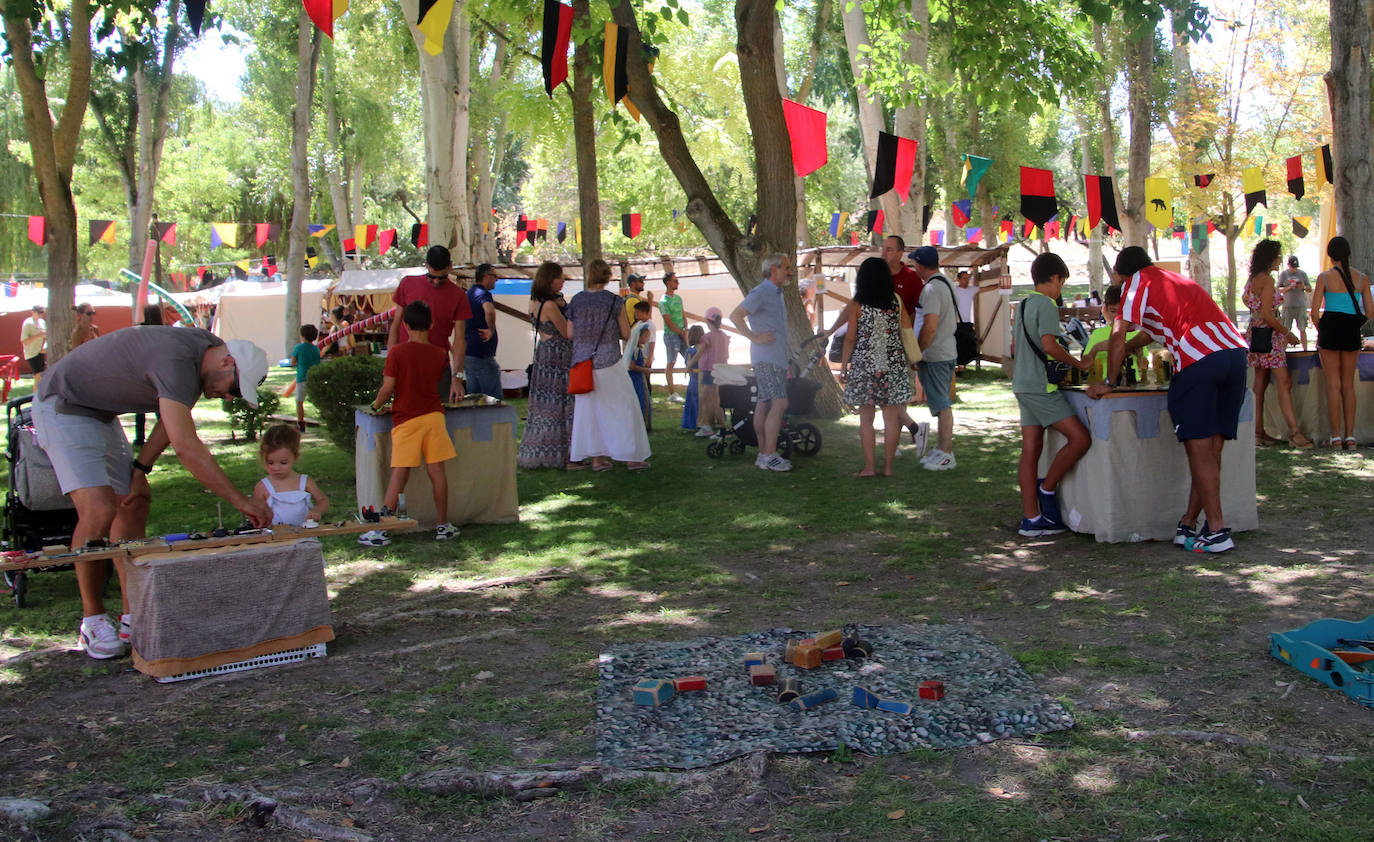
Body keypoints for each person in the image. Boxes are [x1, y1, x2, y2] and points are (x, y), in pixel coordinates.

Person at [31, 327, 272, 659]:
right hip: (62, 404)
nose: (229, 397)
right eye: (234, 388)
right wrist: (240, 500)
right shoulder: (177, 360)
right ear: (228, 361)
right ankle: (92, 621)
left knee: (133, 502)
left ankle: (134, 616)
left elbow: (174, 420)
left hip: (100, 414)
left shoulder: (202, 353)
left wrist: (140, 470)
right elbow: (188, 447)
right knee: (99, 509)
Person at [1088, 246, 1247, 553]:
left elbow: (1119, 332)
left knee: (1199, 451)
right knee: (1211, 451)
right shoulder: (1172, 280)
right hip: (1234, 353)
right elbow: (1147, 334)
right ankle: (1188, 524)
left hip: (1198, 360)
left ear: (1121, 275)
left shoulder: (1135, 285)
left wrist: (1110, 381)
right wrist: (1127, 349)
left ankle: (1217, 530)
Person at [1013, 253, 1093, 537]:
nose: (1061, 291)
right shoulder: (1046, 305)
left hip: (1022, 384)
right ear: (1056, 278)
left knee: (1030, 451)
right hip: (1040, 387)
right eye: (1062, 283)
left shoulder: (1022, 304)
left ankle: (1031, 519)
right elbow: (1049, 345)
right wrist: (1079, 363)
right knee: (1081, 438)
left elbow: (1017, 347)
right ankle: (1047, 489)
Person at [367, 300, 460, 543]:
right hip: (434, 416)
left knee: (399, 474)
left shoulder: (397, 352)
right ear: (431, 323)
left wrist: (375, 406)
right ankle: (443, 525)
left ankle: (382, 529)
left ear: (406, 325)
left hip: (406, 419)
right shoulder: (440, 354)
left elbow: (389, 387)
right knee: (437, 472)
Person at [568, 259, 650, 471]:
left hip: (583, 364)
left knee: (591, 413)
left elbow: (569, 333)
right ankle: (631, 456)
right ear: (606, 276)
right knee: (624, 408)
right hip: (609, 361)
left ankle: (598, 459)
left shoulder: (576, 300)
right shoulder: (613, 301)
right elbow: (625, 333)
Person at [840, 257, 915, 477]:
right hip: (893, 364)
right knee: (891, 419)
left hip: (866, 367)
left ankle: (869, 467)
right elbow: (906, 330)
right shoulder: (896, 300)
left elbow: (850, 339)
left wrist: (844, 366)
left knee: (866, 419)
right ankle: (888, 467)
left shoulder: (857, 304)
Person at [1243, 239, 1312, 449]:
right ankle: (1295, 432)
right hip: (1270, 335)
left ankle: (1257, 432)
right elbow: (1267, 313)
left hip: (1256, 334)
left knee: (1260, 383)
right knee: (1283, 382)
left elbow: (1256, 309)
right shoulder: (1268, 280)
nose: (1281, 259)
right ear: (1270, 257)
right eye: (1279, 255)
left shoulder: (1253, 279)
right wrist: (1287, 333)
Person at [731, 253, 794, 472]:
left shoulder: (776, 293)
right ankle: (769, 454)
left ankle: (762, 454)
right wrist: (754, 337)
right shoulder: (761, 292)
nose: (790, 271)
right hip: (767, 359)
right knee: (780, 403)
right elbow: (736, 315)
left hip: (773, 358)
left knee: (765, 403)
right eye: (786, 267)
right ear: (774, 269)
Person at [1310, 236, 1373, 450]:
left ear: (1330, 254)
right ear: (1348, 253)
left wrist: (1321, 330)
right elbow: (1370, 312)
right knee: (1348, 384)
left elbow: (1315, 311)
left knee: (1333, 384)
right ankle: (1351, 436)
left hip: (1329, 328)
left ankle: (1336, 437)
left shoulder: (1324, 277)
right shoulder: (1362, 278)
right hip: (1350, 331)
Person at [518, 261, 581, 470]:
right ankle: (567, 456)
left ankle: (543, 451)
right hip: (558, 357)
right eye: (558, 278)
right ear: (549, 280)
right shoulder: (551, 306)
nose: (562, 281)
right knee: (562, 405)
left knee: (545, 407)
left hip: (544, 356)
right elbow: (566, 332)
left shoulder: (535, 302)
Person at [389, 245, 471, 402]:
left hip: (438, 370)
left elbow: (460, 340)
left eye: (441, 277)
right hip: (406, 367)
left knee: (439, 418)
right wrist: (390, 366)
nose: (435, 282)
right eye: (431, 276)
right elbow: (396, 325)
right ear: (426, 265)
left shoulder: (459, 296)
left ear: (450, 267)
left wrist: (457, 378)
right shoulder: (407, 284)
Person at [911, 246, 959, 470]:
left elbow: (929, 326)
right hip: (946, 350)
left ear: (920, 265)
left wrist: (917, 352)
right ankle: (941, 449)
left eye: (915, 264)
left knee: (942, 404)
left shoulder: (930, 289)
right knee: (940, 404)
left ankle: (946, 452)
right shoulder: (947, 283)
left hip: (936, 354)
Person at [883, 235, 929, 415]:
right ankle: (907, 429)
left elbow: (921, 311)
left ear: (900, 253)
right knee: (884, 397)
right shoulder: (876, 277)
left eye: (889, 249)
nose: (883, 253)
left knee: (901, 395)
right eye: (883, 248)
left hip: (902, 344)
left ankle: (909, 429)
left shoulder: (912, 279)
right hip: (879, 345)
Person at [252, 423, 328, 526]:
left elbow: (322, 500)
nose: (276, 468)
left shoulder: (305, 482)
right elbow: (255, 512)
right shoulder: (262, 487)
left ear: (295, 457)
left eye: (283, 463)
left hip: (305, 537)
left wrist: (317, 510)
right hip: (276, 538)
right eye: (270, 462)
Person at [1082, 286, 1149, 378]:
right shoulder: (1098, 334)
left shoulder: (1136, 333)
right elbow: (1084, 367)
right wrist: (1096, 349)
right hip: (1104, 385)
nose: (1118, 316)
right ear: (1106, 309)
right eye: (1113, 311)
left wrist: (1139, 354)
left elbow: (1144, 366)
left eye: (1122, 311)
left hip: (1132, 386)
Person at [465, 263, 502, 399]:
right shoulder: (483, 293)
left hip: (469, 351)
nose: (496, 280)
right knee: (492, 397)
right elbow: (489, 311)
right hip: (481, 354)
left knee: (474, 397)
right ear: (486, 277)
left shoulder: (469, 293)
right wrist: (490, 330)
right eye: (494, 276)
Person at [693, 306, 730, 437]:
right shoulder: (724, 336)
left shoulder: (706, 337)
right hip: (721, 371)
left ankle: (718, 427)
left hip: (709, 372)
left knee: (709, 400)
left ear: (708, 322)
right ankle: (716, 427)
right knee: (717, 400)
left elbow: (699, 354)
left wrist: (689, 365)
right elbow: (726, 355)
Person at [659, 273, 689, 401]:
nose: (677, 283)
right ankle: (672, 393)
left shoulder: (678, 298)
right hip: (671, 336)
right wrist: (679, 332)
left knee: (690, 357)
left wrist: (685, 328)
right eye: (675, 281)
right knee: (671, 362)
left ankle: (694, 386)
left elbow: (683, 314)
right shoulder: (663, 301)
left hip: (682, 333)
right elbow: (668, 321)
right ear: (668, 283)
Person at [291, 325, 322, 433]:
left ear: (302, 336)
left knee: (299, 402)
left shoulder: (298, 348)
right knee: (317, 400)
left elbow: (293, 361)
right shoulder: (316, 349)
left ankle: (301, 423)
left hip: (302, 378)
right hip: (313, 377)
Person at [628, 300, 654, 431]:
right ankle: (641, 424)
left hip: (637, 377)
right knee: (640, 399)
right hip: (636, 379)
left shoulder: (648, 325)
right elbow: (632, 366)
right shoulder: (636, 349)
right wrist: (645, 369)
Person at [1277, 256, 1311, 351]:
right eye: (1292, 267)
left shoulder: (1302, 274)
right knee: (1286, 330)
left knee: (1302, 329)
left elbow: (1309, 288)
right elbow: (1278, 289)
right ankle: (1283, 351)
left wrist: (1303, 287)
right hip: (1287, 306)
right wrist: (1288, 288)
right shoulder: (1284, 274)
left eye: (1295, 267)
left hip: (1300, 305)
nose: (1294, 269)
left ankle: (1305, 350)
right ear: (1288, 265)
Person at [680, 324, 704, 432]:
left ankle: (694, 422)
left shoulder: (690, 351)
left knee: (694, 401)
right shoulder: (705, 349)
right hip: (705, 378)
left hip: (694, 379)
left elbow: (688, 365)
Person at [20, 304, 46, 385]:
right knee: (38, 377)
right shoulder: (28, 323)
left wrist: (44, 347)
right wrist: (39, 335)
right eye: (39, 313)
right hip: (31, 353)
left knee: (42, 376)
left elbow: (47, 336)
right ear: (33, 312)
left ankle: (39, 395)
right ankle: (36, 396)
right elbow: (24, 341)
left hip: (40, 351)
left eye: (42, 313)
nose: (41, 315)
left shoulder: (42, 322)